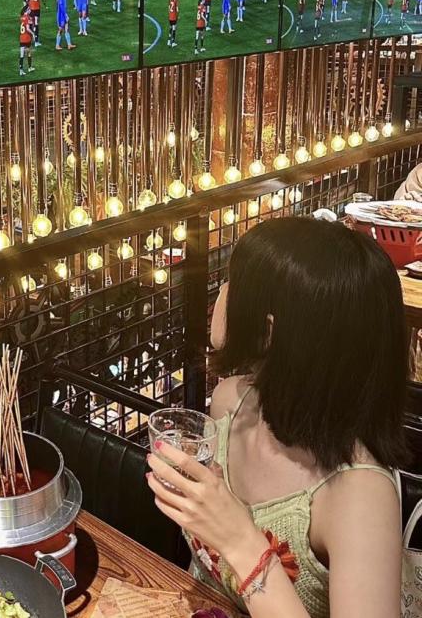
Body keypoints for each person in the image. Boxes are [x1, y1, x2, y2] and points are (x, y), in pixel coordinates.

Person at [147, 217, 405, 618]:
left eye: (232, 283)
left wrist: (240, 541)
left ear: (268, 331)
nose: (221, 292)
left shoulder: (359, 496)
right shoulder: (232, 403)